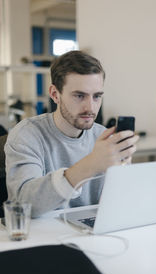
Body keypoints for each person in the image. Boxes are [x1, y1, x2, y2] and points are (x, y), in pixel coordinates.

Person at [5, 51, 139, 217]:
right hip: (43, 237)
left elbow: (116, 207)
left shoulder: (103, 137)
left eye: (96, 96)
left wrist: (121, 177)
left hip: (91, 235)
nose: (90, 107)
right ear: (55, 94)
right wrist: (91, 164)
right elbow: (22, 204)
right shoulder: (27, 135)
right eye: (79, 95)